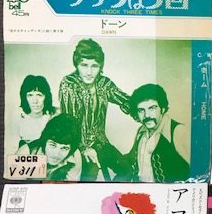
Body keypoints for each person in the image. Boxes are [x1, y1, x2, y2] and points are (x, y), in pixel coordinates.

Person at [59, 38, 131, 180]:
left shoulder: (104, 83)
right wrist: (84, 148)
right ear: (77, 64)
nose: (89, 72)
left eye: (94, 66)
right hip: (77, 145)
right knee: (89, 177)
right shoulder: (69, 84)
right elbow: (69, 123)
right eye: (84, 65)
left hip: (101, 143)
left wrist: (142, 110)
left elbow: (127, 101)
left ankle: (112, 194)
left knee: (127, 170)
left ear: (100, 66)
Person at [126, 83, 190, 182]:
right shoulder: (141, 132)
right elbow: (131, 160)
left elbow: (198, 170)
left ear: (162, 109)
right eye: (141, 110)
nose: (147, 115)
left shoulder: (177, 131)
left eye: (152, 108)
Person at [16, 113, 83, 181]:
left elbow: (71, 186)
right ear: (45, 142)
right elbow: (16, 186)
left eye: (64, 148)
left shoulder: (75, 156)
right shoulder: (25, 152)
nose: (56, 154)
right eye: (52, 145)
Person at [11, 74, 57, 152]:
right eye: (30, 95)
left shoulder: (55, 115)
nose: (35, 101)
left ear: (46, 96)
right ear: (25, 97)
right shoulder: (18, 117)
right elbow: (14, 149)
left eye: (39, 95)